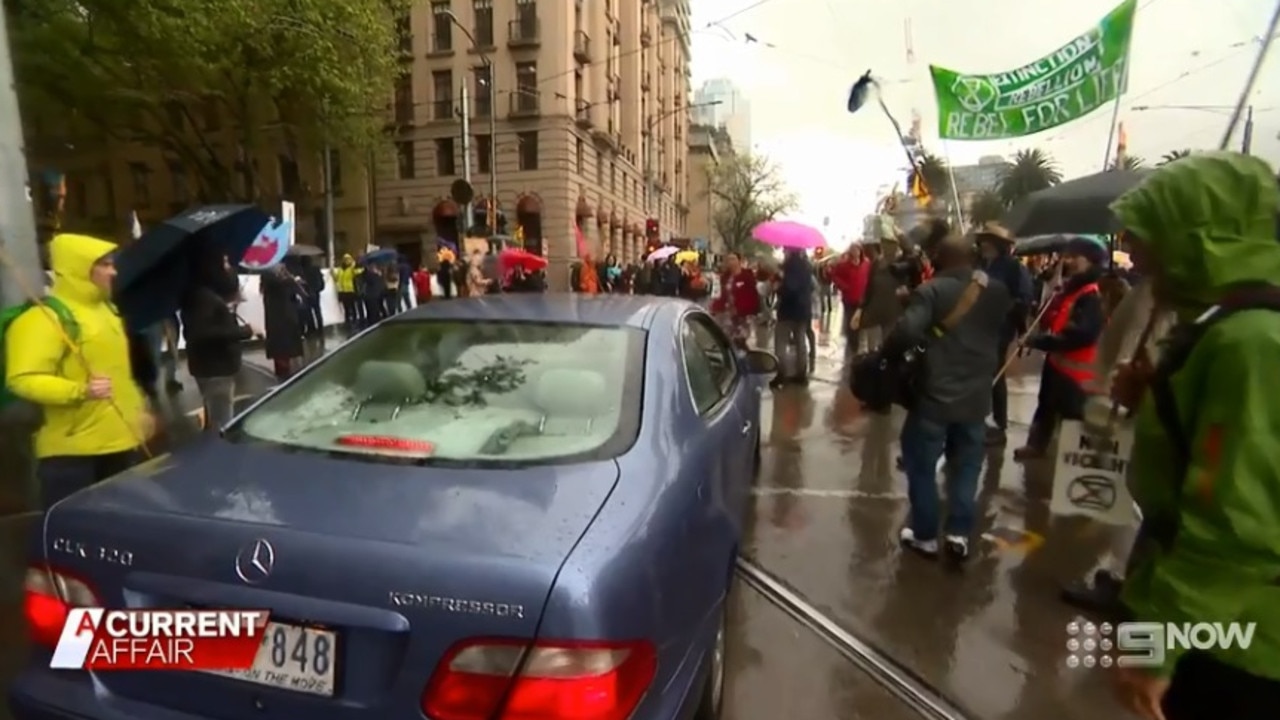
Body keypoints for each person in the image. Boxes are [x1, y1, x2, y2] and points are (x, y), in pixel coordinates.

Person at [1105, 151, 1280, 720]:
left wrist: (1155, 651)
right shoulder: (1219, 324)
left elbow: (1235, 523)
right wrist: (1149, 401)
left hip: (1235, 641)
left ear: (1197, 238)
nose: (1133, 249)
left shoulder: (1251, 341)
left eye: (1149, 234)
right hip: (1193, 608)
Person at [4, 233, 155, 509]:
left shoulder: (107, 310)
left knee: (123, 531)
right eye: (105, 265)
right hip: (72, 455)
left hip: (120, 444)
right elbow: (21, 378)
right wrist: (80, 391)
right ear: (81, 269)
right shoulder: (44, 318)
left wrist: (139, 411)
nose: (114, 271)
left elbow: (119, 374)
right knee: (74, 532)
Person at [889, 235, 1011, 561]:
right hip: (976, 397)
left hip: (934, 395)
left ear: (939, 259)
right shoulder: (996, 291)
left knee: (921, 464)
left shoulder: (931, 291)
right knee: (968, 466)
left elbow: (906, 333)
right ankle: (958, 533)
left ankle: (926, 535)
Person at [1014, 237, 1106, 461]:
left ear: (1091, 262)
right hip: (1056, 364)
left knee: (1072, 420)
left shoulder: (1091, 296)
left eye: (1077, 257)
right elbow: (1058, 320)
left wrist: (1040, 341)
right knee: (1045, 408)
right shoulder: (1071, 290)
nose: (1070, 261)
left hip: (1076, 373)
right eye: (1070, 256)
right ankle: (1036, 446)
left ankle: (1073, 463)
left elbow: (1081, 335)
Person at [180, 250, 255, 431]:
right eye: (224, 262)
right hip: (216, 369)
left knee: (215, 416)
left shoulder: (202, 294)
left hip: (211, 367)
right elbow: (203, 333)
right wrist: (243, 331)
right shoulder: (203, 297)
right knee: (222, 423)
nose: (227, 267)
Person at [977, 223, 1034, 446]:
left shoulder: (1012, 267)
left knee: (996, 373)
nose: (983, 245)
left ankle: (999, 425)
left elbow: (1024, 298)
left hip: (1000, 328)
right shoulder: (983, 265)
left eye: (987, 240)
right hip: (982, 327)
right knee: (985, 373)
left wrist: (1006, 311)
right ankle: (987, 419)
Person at [771, 249, 813, 388]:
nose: (783, 252)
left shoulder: (790, 266)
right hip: (803, 311)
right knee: (800, 342)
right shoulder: (806, 265)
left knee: (781, 343)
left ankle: (781, 374)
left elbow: (790, 288)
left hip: (789, 310)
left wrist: (778, 287)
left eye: (785, 249)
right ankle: (801, 374)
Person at [260, 264, 306, 381]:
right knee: (281, 353)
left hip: (286, 321)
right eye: (280, 268)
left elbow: (296, 296)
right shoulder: (273, 281)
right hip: (280, 322)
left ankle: (285, 375)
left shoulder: (282, 282)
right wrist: (292, 279)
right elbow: (282, 285)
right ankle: (283, 377)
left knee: (285, 353)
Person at [858, 240, 901, 353]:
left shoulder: (901, 263)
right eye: (885, 245)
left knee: (888, 345)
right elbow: (869, 287)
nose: (888, 248)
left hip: (892, 310)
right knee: (872, 347)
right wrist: (862, 307)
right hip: (874, 309)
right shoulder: (876, 263)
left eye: (891, 245)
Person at [829, 244, 870, 356]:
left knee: (861, 323)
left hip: (862, 299)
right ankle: (853, 347)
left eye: (857, 249)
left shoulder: (866, 264)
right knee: (851, 324)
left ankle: (859, 346)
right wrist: (844, 286)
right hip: (849, 299)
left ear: (861, 251)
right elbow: (835, 276)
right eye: (853, 250)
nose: (855, 252)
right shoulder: (844, 265)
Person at [716, 251, 760, 349]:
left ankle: (744, 360)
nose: (730, 262)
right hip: (728, 314)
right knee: (728, 341)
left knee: (741, 340)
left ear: (739, 261)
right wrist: (716, 307)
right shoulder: (725, 277)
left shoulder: (747, 276)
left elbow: (753, 296)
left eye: (733, 259)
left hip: (744, 315)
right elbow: (722, 295)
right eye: (728, 260)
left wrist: (746, 310)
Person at [331, 254, 362, 329]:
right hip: (342, 291)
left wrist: (357, 266)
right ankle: (347, 321)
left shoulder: (351, 268)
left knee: (352, 306)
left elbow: (357, 272)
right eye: (345, 259)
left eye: (348, 259)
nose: (347, 261)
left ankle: (354, 320)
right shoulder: (340, 269)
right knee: (346, 307)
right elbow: (336, 279)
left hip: (350, 290)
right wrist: (332, 273)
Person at [300, 256, 325, 336]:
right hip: (316, 291)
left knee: (308, 311)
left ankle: (312, 328)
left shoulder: (302, 271)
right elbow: (321, 279)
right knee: (317, 310)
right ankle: (320, 327)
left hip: (307, 292)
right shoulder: (315, 269)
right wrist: (319, 288)